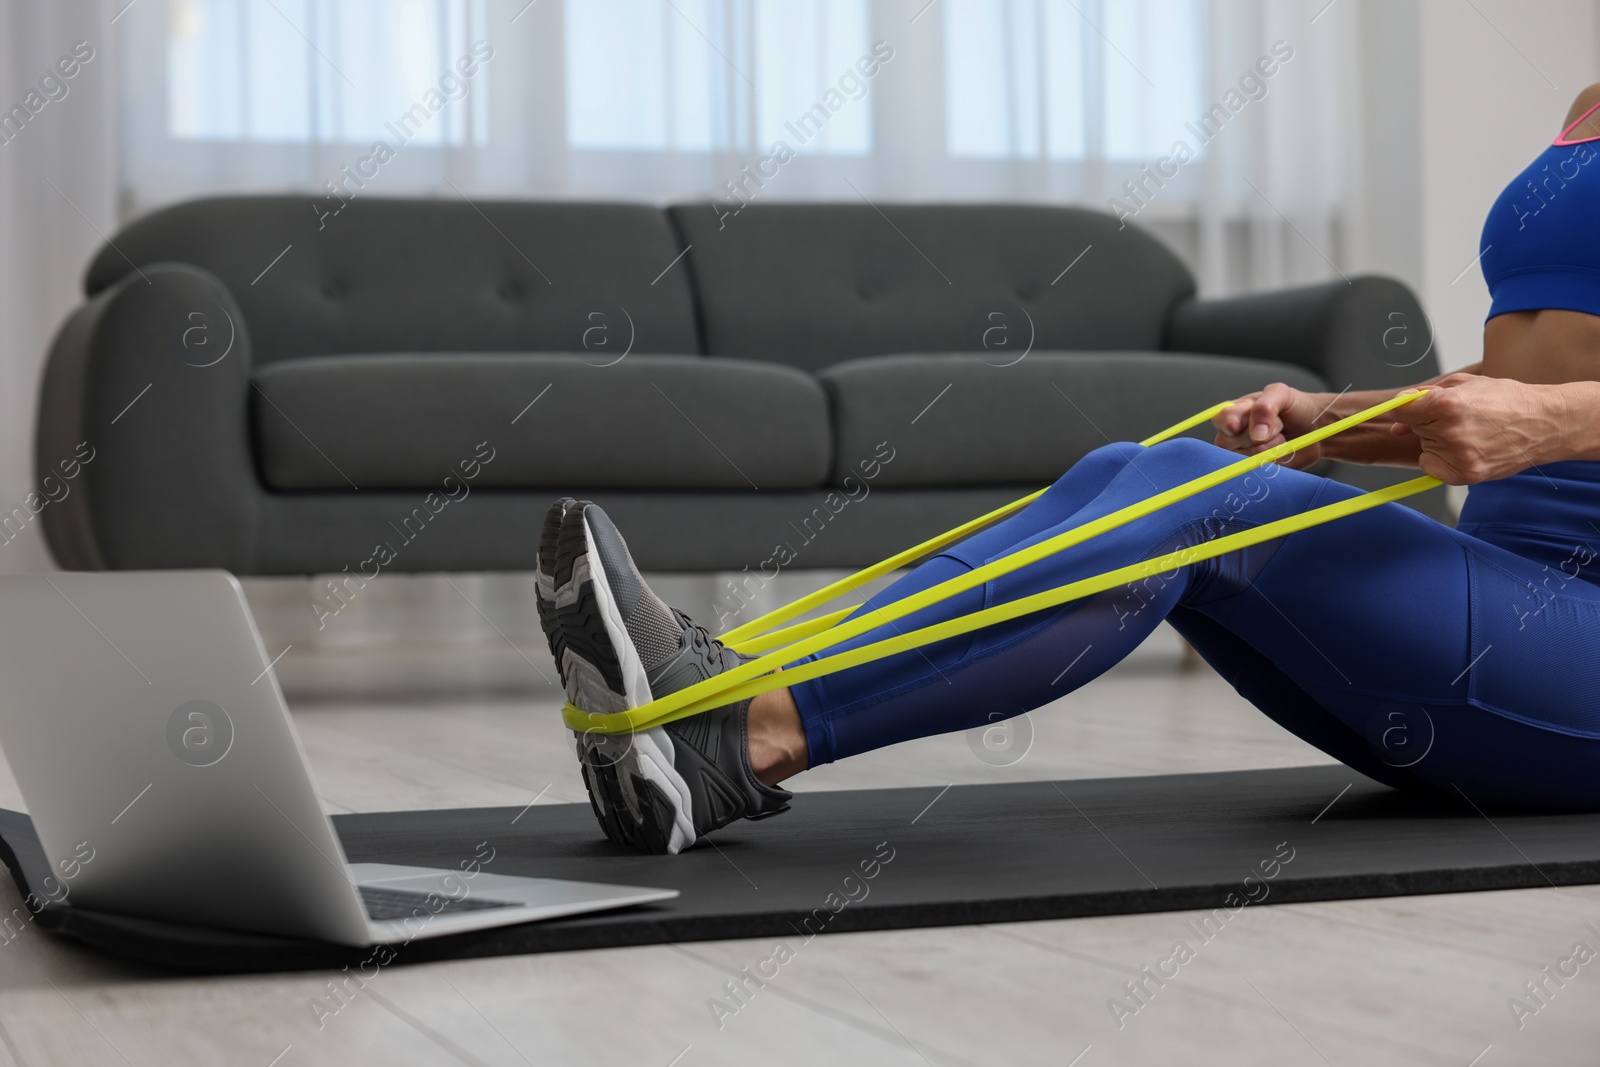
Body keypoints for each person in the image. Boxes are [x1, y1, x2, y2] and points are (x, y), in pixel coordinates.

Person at [536, 87, 1600, 855]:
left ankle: (736, 739)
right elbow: (1519, 377)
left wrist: (1549, 421)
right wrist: (1330, 421)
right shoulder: (1585, 100)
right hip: (1502, 630)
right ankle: (713, 698)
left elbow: (1548, 406)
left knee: (1201, 502)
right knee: (1143, 469)